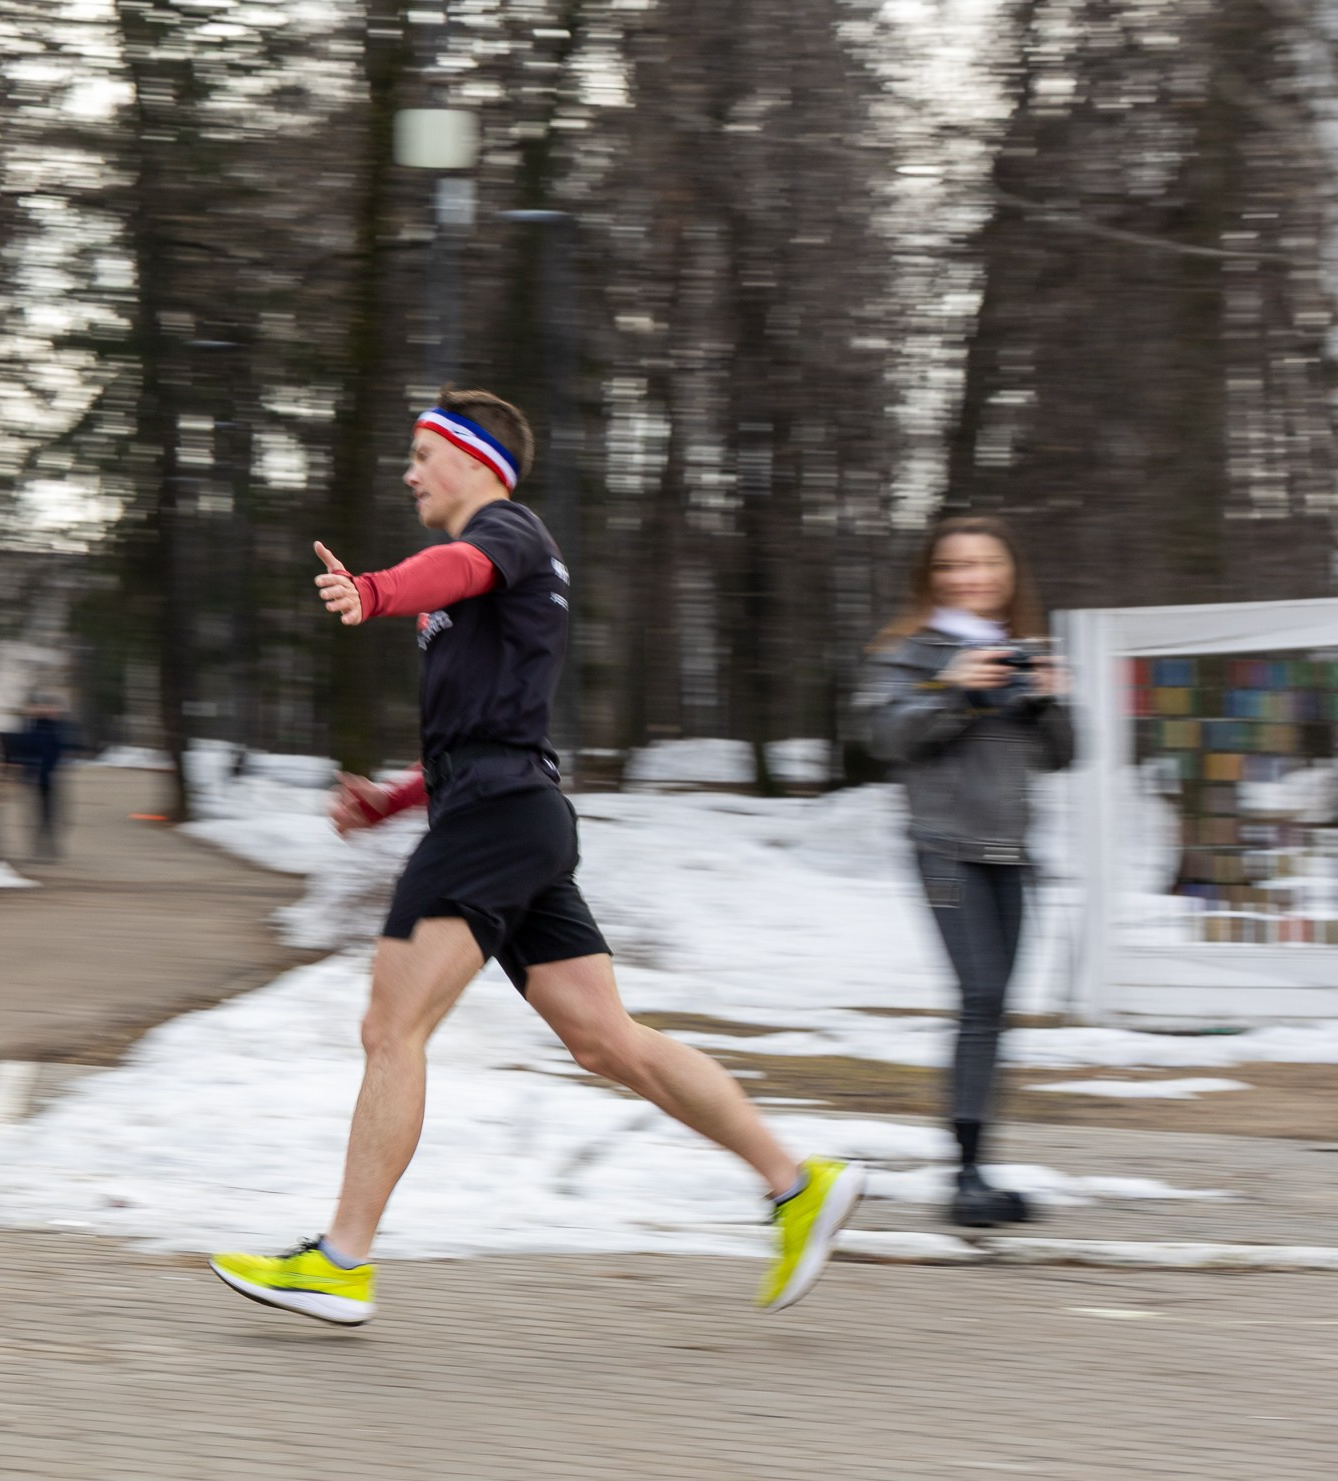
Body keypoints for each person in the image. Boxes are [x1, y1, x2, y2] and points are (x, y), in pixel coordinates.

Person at [208, 386, 867, 1326]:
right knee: (605, 1040)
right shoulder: (491, 574)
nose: (408, 473)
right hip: (516, 813)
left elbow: (456, 569)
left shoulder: (506, 533)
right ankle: (796, 1184)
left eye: (421, 455)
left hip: (494, 823)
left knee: (391, 1028)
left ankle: (341, 1261)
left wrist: (375, 592)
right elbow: (488, 729)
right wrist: (393, 800)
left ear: (474, 460)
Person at [860, 518, 1072, 1227]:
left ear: (1009, 575)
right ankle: (966, 1177)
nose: (971, 577)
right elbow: (885, 736)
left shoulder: (1024, 650)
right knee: (980, 998)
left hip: (1012, 853)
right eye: (954, 565)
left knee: (996, 1008)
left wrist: (1049, 698)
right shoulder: (908, 653)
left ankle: (979, 1169)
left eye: (986, 563)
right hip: (946, 849)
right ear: (932, 577)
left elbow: (1063, 754)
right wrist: (953, 689)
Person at [9, 689, 74, 861]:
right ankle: (37, 849)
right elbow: (20, 748)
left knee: (52, 815)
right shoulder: (30, 727)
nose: (47, 710)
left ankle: (51, 848)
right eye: (44, 706)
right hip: (31, 778)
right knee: (33, 816)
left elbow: (63, 748)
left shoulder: (55, 728)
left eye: (51, 707)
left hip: (50, 778)